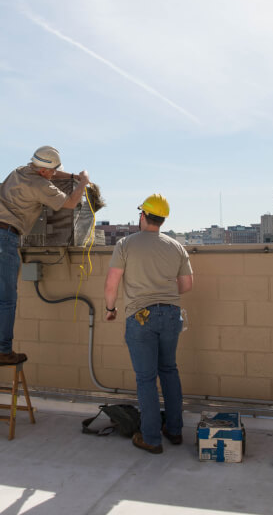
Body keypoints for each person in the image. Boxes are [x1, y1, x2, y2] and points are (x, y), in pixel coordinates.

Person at [0, 145, 90, 365]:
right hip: (4, 238)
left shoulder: (20, 171)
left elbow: (50, 172)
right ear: (44, 172)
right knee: (7, 299)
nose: (55, 174)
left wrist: (74, 175)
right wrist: (83, 182)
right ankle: (3, 351)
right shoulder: (39, 185)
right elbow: (70, 203)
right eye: (53, 171)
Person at [103, 194, 193, 454]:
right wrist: (162, 290)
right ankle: (174, 431)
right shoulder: (176, 246)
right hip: (171, 314)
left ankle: (151, 438)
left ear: (142, 216)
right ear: (162, 220)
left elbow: (111, 284)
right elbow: (186, 285)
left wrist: (111, 309)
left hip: (140, 316)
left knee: (145, 379)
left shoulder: (125, 244)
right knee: (169, 371)